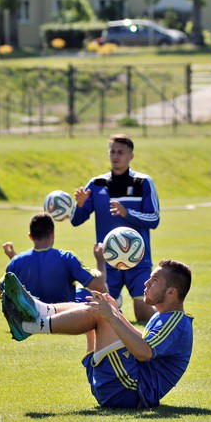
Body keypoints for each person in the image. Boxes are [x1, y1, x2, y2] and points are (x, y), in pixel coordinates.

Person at [1, 259, 193, 408]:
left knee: (101, 314)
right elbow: (141, 341)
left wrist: (112, 316)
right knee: (99, 306)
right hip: (122, 387)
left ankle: (28, 326)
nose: (146, 282)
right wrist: (114, 312)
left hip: (130, 390)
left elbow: (144, 352)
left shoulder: (176, 321)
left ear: (170, 293)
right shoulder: (165, 316)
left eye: (155, 280)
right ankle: (39, 309)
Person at [71, 134, 160, 324]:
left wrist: (127, 213)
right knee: (102, 314)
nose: (116, 156)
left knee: (143, 315)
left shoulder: (143, 182)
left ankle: (123, 302)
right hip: (108, 260)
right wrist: (79, 205)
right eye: (112, 151)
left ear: (131, 156)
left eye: (121, 152)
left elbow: (154, 218)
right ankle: (115, 300)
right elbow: (76, 221)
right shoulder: (97, 184)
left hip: (137, 259)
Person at [0, 212, 108, 305]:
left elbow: (0, 291)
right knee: (90, 288)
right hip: (65, 318)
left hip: (32, 318)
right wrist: (100, 261)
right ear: (52, 234)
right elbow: (99, 286)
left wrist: (15, 262)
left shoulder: (17, 262)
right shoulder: (67, 258)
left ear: (30, 236)